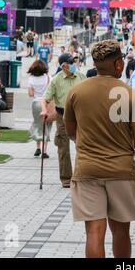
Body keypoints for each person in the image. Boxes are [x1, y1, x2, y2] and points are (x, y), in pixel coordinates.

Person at [64, 40, 135, 258]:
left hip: (86, 170)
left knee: (94, 232)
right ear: (119, 64)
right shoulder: (131, 94)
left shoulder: (76, 92)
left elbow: (71, 131)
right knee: (121, 231)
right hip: (121, 171)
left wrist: (89, 146)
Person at [41, 54, 86, 188]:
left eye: (74, 62)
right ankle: (66, 178)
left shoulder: (81, 76)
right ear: (63, 66)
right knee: (63, 147)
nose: (74, 64)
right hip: (63, 116)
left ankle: (81, 175)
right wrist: (44, 110)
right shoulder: (56, 80)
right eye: (71, 63)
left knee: (83, 146)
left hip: (80, 115)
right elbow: (45, 98)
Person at [28, 60, 52, 158]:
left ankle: (38, 148)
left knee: (38, 124)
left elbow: (30, 94)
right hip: (46, 103)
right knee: (47, 125)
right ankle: (44, 151)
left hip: (35, 103)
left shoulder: (31, 79)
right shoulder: (48, 77)